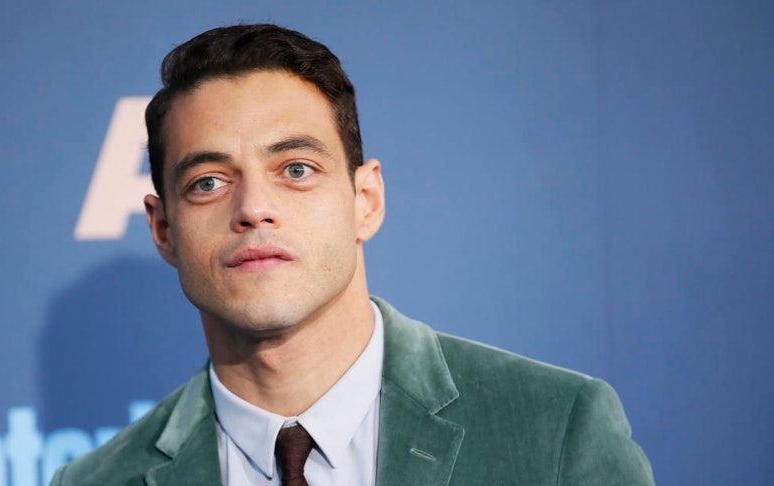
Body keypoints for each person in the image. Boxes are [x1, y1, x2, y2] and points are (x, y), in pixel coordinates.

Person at [52, 24, 654, 485]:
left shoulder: (556, 429)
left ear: (366, 200)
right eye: (208, 182)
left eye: (296, 169)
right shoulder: (96, 481)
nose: (254, 208)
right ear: (163, 229)